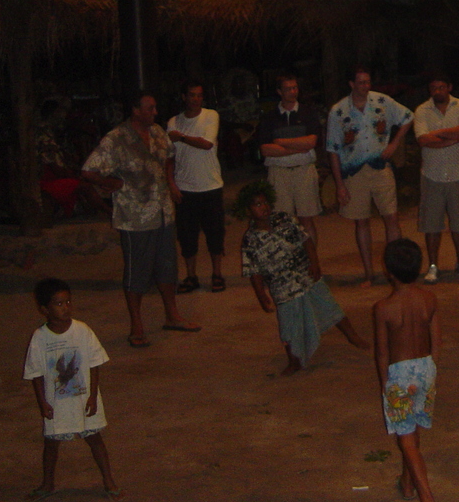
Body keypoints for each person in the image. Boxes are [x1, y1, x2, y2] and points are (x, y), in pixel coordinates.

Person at [81, 90, 201, 348]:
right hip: (135, 218)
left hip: (163, 213)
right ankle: (137, 325)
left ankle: (173, 316)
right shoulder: (116, 139)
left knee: (168, 267)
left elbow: (169, 156)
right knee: (137, 273)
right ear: (136, 110)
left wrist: (170, 183)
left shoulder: (157, 132)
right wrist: (110, 182)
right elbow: (88, 170)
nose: (155, 112)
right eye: (150, 108)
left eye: (155, 108)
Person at [237, 181, 369, 375]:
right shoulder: (250, 239)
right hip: (282, 288)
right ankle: (294, 360)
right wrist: (261, 295)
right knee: (289, 326)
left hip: (304, 275)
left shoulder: (284, 219)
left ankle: (352, 336)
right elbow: (253, 271)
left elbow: (305, 239)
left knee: (328, 306)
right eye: (257, 205)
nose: (263, 208)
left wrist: (315, 263)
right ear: (248, 210)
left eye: (265, 203)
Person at [23, 277, 120, 501]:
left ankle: (109, 481)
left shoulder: (82, 331)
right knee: (51, 443)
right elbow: (36, 373)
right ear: (44, 309)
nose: (65, 308)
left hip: (83, 398)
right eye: (58, 304)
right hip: (56, 402)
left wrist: (93, 395)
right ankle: (47, 483)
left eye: (68, 302)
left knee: (94, 438)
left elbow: (95, 364)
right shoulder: (40, 338)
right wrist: (43, 403)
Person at [373, 239, 442, 502]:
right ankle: (407, 482)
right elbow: (436, 340)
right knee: (411, 430)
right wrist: (431, 370)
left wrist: (385, 384)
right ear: (419, 268)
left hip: (399, 376)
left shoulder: (383, 308)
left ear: (388, 271)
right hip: (426, 368)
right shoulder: (429, 299)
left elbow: (382, 352)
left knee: (406, 439)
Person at [327, 68, 414, 287]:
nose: (365, 86)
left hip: (380, 167)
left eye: (368, 82)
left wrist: (394, 144)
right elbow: (333, 150)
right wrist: (339, 184)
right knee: (362, 222)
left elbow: (408, 117)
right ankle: (369, 273)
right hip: (354, 171)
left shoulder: (382, 101)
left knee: (391, 218)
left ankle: (396, 272)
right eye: (361, 83)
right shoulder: (338, 111)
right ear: (351, 84)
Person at [413, 74, 459, 283]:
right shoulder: (422, 110)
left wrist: (438, 135)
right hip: (432, 174)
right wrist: (452, 138)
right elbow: (423, 139)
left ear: (449, 87)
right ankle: (433, 266)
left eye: (441, 86)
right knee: (431, 224)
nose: (438, 91)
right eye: (434, 87)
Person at [168, 80, 227, 293]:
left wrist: (181, 137)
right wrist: (171, 184)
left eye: (199, 95)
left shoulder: (210, 116)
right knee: (187, 235)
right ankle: (191, 276)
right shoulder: (174, 122)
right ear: (184, 97)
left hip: (210, 184)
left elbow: (207, 144)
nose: (196, 99)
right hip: (185, 187)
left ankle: (217, 274)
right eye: (192, 95)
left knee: (215, 234)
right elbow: (169, 157)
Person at [257, 74, 324, 250]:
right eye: (288, 88)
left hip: (303, 171)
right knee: (281, 220)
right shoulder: (269, 117)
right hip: (279, 173)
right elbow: (265, 149)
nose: (293, 92)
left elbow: (311, 142)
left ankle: (311, 262)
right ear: (279, 91)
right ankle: (287, 263)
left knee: (306, 219)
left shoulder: (308, 112)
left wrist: (281, 142)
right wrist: (299, 146)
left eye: (295, 88)